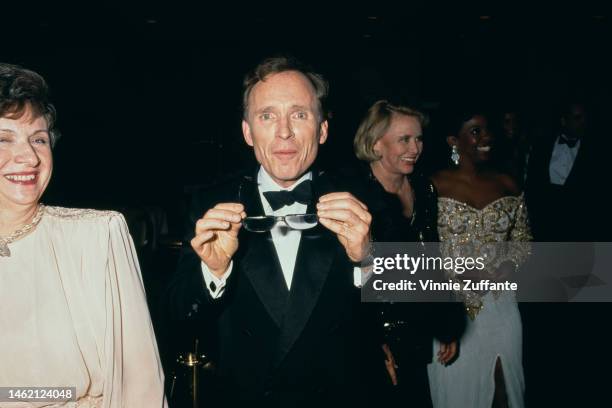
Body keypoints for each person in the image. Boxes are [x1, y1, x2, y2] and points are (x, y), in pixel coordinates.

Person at [166, 56, 376, 407]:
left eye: (299, 114)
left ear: (322, 129)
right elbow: (174, 314)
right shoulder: (209, 203)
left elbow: (434, 311)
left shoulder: (369, 199)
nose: (284, 132)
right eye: (267, 116)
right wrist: (213, 272)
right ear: (248, 132)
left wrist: (368, 258)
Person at [0, 63, 167, 407]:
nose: (28, 156)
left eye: (38, 139)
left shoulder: (97, 238)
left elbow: (142, 386)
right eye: (4, 139)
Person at [350, 100, 465, 407]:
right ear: (376, 144)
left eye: (419, 139)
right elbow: (348, 281)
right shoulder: (354, 197)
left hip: (416, 327)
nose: (415, 148)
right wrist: (373, 343)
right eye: (404, 139)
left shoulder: (424, 189)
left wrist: (447, 322)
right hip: (371, 331)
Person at [427, 107, 531, 408]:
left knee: (505, 389)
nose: (487, 138)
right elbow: (421, 250)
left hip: (502, 304)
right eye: (476, 131)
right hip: (452, 306)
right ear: (453, 141)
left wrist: (510, 263)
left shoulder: (508, 183)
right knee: (459, 392)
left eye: (487, 131)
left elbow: (523, 241)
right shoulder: (431, 186)